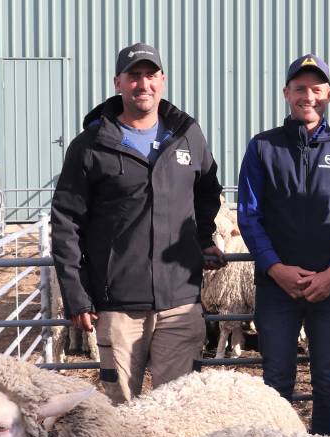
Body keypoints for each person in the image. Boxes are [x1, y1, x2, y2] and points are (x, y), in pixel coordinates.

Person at [50, 42, 224, 402]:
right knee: (121, 411)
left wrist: (204, 237)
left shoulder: (187, 135)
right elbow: (66, 222)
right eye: (134, 76)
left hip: (180, 301)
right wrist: (76, 295)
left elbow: (208, 189)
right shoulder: (90, 146)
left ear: (162, 80)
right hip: (118, 306)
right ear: (118, 82)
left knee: (177, 410)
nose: (143, 84)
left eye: (150, 75)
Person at [237, 54, 330, 437]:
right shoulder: (263, 148)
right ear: (286, 93)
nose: (307, 96)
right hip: (276, 287)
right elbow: (249, 214)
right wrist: (275, 268)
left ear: (329, 94)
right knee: (276, 381)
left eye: (316, 89)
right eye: (299, 89)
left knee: (328, 379)